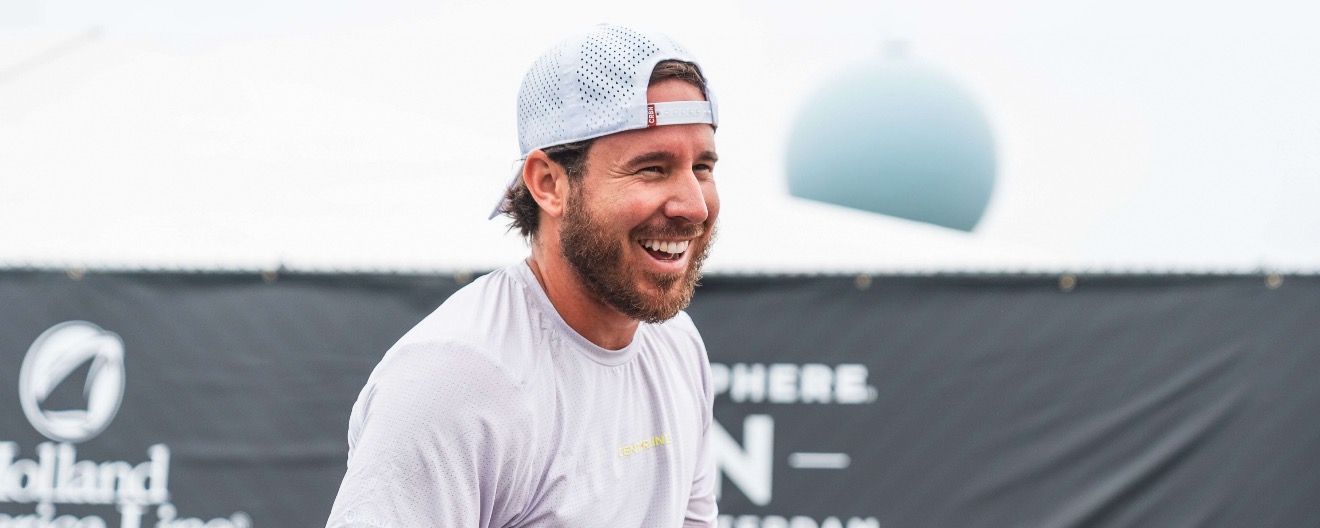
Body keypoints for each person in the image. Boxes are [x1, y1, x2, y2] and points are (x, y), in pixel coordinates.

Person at [326, 23, 721, 527]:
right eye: (651, 168)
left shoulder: (677, 347)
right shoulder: (454, 380)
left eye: (703, 167)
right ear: (549, 184)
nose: (693, 205)